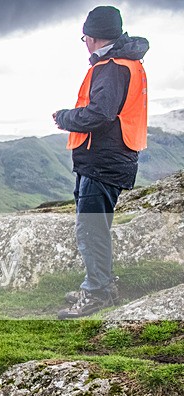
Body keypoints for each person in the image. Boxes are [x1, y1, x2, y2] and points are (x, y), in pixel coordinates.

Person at [53, 5, 149, 320]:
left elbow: (100, 114)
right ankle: (102, 285)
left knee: (91, 230)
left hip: (103, 162)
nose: (85, 43)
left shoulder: (112, 67)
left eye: (84, 37)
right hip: (106, 159)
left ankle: (96, 294)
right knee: (96, 229)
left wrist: (65, 117)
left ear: (93, 37)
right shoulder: (125, 64)